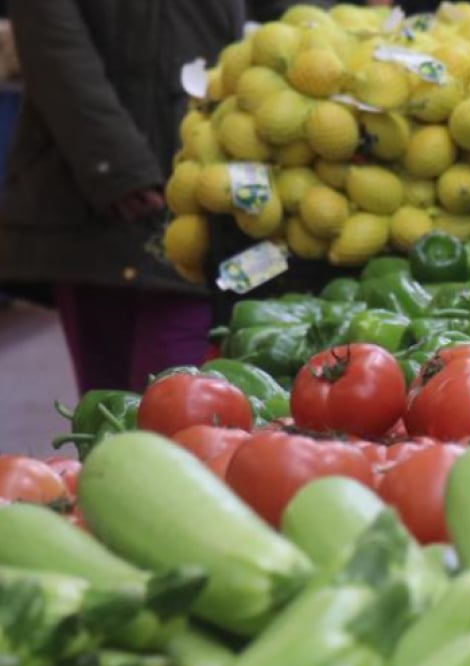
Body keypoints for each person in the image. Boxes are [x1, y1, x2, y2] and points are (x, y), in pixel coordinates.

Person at [0, 0, 327, 395]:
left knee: (181, 399)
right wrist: (114, 163)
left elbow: (299, 17)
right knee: (109, 407)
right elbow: (53, 42)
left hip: (211, 181)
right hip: (91, 191)